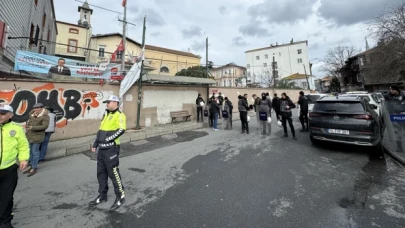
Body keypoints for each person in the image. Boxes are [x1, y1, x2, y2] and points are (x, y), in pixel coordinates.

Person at [90, 95, 126, 211]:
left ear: (115, 103)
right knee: (101, 173)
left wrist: (108, 139)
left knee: (114, 173)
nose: (106, 104)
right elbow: (100, 131)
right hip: (102, 150)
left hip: (111, 149)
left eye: (108, 102)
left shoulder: (119, 115)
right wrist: (96, 144)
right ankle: (102, 195)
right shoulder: (106, 114)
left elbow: (121, 130)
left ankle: (120, 197)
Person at [0, 103, 29, 228]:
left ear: (10, 115)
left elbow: (22, 145)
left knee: (6, 197)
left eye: (2, 113)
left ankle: (5, 221)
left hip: (8, 170)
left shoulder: (16, 128)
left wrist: (23, 159)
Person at [23, 103, 49, 177]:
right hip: (30, 136)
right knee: (30, 152)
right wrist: (27, 128)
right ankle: (31, 165)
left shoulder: (45, 116)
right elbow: (29, 124)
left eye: (37, 108)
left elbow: (45, 126)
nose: (36, 109)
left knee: (35, 152)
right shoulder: (32, 115)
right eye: (35, 108)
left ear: (41, 108)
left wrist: (32, 127)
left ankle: (34, 168)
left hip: (38, 136)